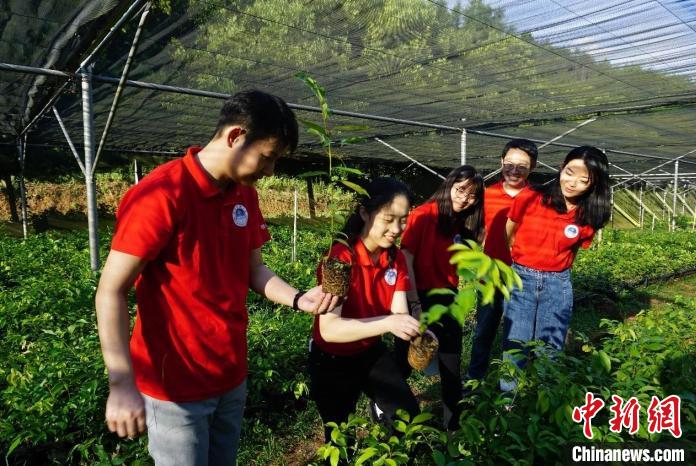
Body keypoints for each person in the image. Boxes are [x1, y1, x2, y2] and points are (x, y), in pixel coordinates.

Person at [95, 90, 340, 466]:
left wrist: (297, 297)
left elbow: (253, 269)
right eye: (268, 157)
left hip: (230, 376)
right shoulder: (162, 194)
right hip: (175, 385)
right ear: (235, 136)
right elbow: (111, 290)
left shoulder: (245, 195)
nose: (270, 171)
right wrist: (121, 382)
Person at [309, 177, 421, 442]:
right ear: (364, 212)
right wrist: (389, 324)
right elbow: (330, 329)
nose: (396, 228)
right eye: (388, 218)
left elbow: (399, 314)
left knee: (408, 418)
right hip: (332, 359)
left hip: (370, 352)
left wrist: (419, 331)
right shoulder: (340, 259)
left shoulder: (395, 258)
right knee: (340, 436)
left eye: (403, 219)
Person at [500, 146, 611, 391]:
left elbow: (571, 250)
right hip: (521, 278)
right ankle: (506, 404)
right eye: (570, 173)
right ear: (561, 167)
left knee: (549, 348)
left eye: (584, 180)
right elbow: (509, 232)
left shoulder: (587, 214)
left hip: (557, 283)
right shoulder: (530, 197)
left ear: (594, 185)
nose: (573, 183)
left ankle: (544, 400)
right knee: (515, 345)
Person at [398, 165, 484, 430]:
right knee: (406, 361)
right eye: (460, 190)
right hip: (419, 298)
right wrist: (412, 305)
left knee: (451, 363)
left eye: (471, 196)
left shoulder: (458, 223)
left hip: (448, 300)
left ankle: (453, 428)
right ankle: (387, 412)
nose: (464, 199)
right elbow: (406, 261)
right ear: (449, 186)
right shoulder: (422, 216)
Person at [466, 139, 538, 381]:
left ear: (533, 167)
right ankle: (475, 379)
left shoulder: (538, 199)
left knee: (516, 333)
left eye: (522, 166)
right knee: (484, 328)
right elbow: (476, 231)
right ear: (501, 163)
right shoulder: (487, 195)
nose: (514, 170)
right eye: (510, 164)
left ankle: (511, 385)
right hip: (490, 272)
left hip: (523, 274)